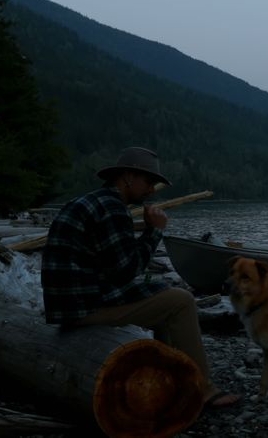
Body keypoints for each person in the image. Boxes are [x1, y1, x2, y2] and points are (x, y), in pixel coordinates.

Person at [41, 146, 239, 409]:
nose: (151, 190)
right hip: (83, 309)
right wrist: (154, 231)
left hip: (70, 305)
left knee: (162, 292)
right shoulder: (112, 208)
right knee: (180, 301)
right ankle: (201, 388)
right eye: (148, 182)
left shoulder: (92, 202)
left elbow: (112, 268)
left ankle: (169, 378)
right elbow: (126, 272)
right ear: (127, 177)